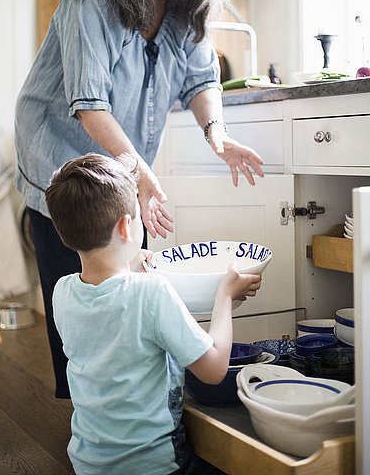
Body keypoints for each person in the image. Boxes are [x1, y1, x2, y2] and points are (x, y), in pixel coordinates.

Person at [14, 0, 264, 399]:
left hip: (123, 161)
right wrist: (144, 178)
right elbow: (88, 104)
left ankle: (142, 405)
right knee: (85, 289)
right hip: (61, 150)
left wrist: (218, 135)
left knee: (135, 283)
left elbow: (202, 80)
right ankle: (88, 410)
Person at [46, 153, 262, 475]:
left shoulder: (62, 291)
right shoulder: (151, 292)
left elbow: (111, 303)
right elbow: (215, 368)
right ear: (126, 226)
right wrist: (225, 296)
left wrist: (130, 263)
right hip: (154, 464)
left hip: (90, 463)